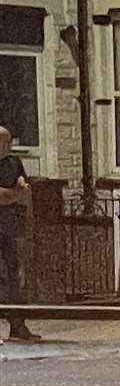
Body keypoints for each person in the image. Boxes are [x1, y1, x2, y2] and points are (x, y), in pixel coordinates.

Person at [0, 125, 40, 344]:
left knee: (17, 278)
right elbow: (3, 196)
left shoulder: (14, 163)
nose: (8, 146)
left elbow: (26, 190)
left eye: (8, 142)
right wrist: (17, 194)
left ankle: (18, 326)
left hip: (12, 228)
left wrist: (18, 193)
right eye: (3, 142)